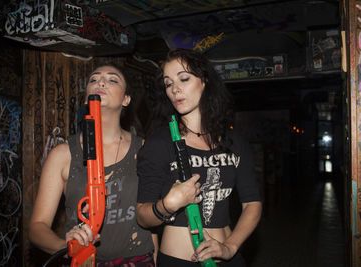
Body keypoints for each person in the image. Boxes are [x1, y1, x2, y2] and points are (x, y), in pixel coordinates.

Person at [136, 49, 262, 267]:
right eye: (168, 83)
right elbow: (142, 216)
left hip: (227, 257)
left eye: (184, 78)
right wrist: (168, 204)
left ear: (204, 80)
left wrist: (230, 246)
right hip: (180, 260)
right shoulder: (160, 141)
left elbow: (252, 204)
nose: (175, 89)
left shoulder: (234, 142)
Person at [29, 63, 157, 266]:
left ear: (126, 99)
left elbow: (151, 220)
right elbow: (37, 226)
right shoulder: (62, 154)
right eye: (94, 79)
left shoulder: (143, 149)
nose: (101, 82)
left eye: (112, 79)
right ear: (86, 96)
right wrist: (65, 245)